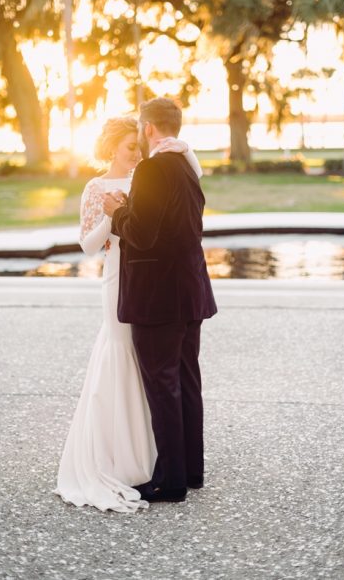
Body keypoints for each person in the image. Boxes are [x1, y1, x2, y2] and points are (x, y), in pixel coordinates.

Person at [56, 116, 202, 512]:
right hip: (118, 278)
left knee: (152, 368)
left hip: (152, 282)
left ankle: (154, 457)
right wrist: (111, 214)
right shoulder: (96, 187)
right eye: (129, 148)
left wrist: (183, 147)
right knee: (123, 355)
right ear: (112, 149)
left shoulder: (149, 176)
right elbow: (88, 245)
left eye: (138, 146)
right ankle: (121, 455)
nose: (136, 153)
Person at [102, 97, 217, 503]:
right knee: (186, 380)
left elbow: (143, 233)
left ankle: (169, 482)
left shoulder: (153, 169)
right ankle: (191, 471)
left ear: (148, 128)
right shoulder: (187, 165)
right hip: (190, 291)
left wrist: (117, 212)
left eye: (139, 128)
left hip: (158, 298)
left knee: (163, 385)